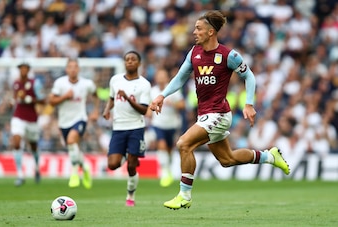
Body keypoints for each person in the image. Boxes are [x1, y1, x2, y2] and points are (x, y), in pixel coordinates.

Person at [149, 10, 290, 210]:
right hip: (205, 114)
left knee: (184, 144)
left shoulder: (228, 55)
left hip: (219, 114)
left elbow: (249, 76)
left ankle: (184, 195)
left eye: (198, 28)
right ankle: (269, 156)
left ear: (210, 32)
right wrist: (162, 95)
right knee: (227, 159)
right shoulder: (194, 53)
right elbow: (180, 78)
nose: (194, 32)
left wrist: (249, 103)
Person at [102, 51, 151, 207]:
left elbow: (144, 110)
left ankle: (130, 196)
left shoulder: (144, 84)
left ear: (139, 63)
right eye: (127, 59)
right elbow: (111, 98)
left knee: (131, 166)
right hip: (118, 127)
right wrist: (107, 109)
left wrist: (128, 99)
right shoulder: (115, 80)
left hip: (136, 127)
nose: (130, 61)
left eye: (133, 59)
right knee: (112, 165)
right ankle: (129, 157)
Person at [49, 58, 100, 189]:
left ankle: (75, 173)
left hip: (80, 118)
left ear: (79, 69)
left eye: (75, 67)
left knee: (72, 141)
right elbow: (52, 101)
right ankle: (86, 167)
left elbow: (96, 94)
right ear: (66, 69)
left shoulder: (86, 83)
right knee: (73, 148)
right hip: (64, 121)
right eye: (70, 67)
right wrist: (64, 97)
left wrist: (95, 111)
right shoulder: (60, 83)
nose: (73, 69)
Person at [147, 69, 185, 187]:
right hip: (158, 123)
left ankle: (168, 168)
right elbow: (149, 107)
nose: (160, 78)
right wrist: (149, 112)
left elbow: (183, 105)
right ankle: (164, 172)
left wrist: (172, 104)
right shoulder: (152, 91)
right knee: (161, 144)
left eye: (163, 76)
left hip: (172, 124)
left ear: (167, 78)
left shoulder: (173, 90)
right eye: (159, 76)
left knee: (169, 149)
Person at [11, 62, 46, 186]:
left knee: (33, 146)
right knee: (16, 141)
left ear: (28, 70)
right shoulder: (15, 83)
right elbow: (15, 98)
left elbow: (43, 100)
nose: (23, 71)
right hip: (18, 117)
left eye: (25, 69)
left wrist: (31, 99)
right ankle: (20, 174)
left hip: (31, 118)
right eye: (21, 69)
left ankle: (36, 168)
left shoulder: (35, 83)